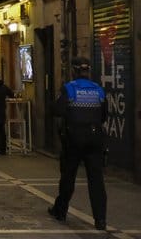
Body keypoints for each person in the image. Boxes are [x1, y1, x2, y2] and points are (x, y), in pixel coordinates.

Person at [48, 57, 107, 230]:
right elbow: (104, 116)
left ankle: (60, 210)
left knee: (68, 177)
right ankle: (100, 220)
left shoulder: (69, 88)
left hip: (73, 140)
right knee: (96, 180)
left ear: (73, 71)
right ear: (88, 71)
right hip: (95, 139)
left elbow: (57, 110)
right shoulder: (98, 90)